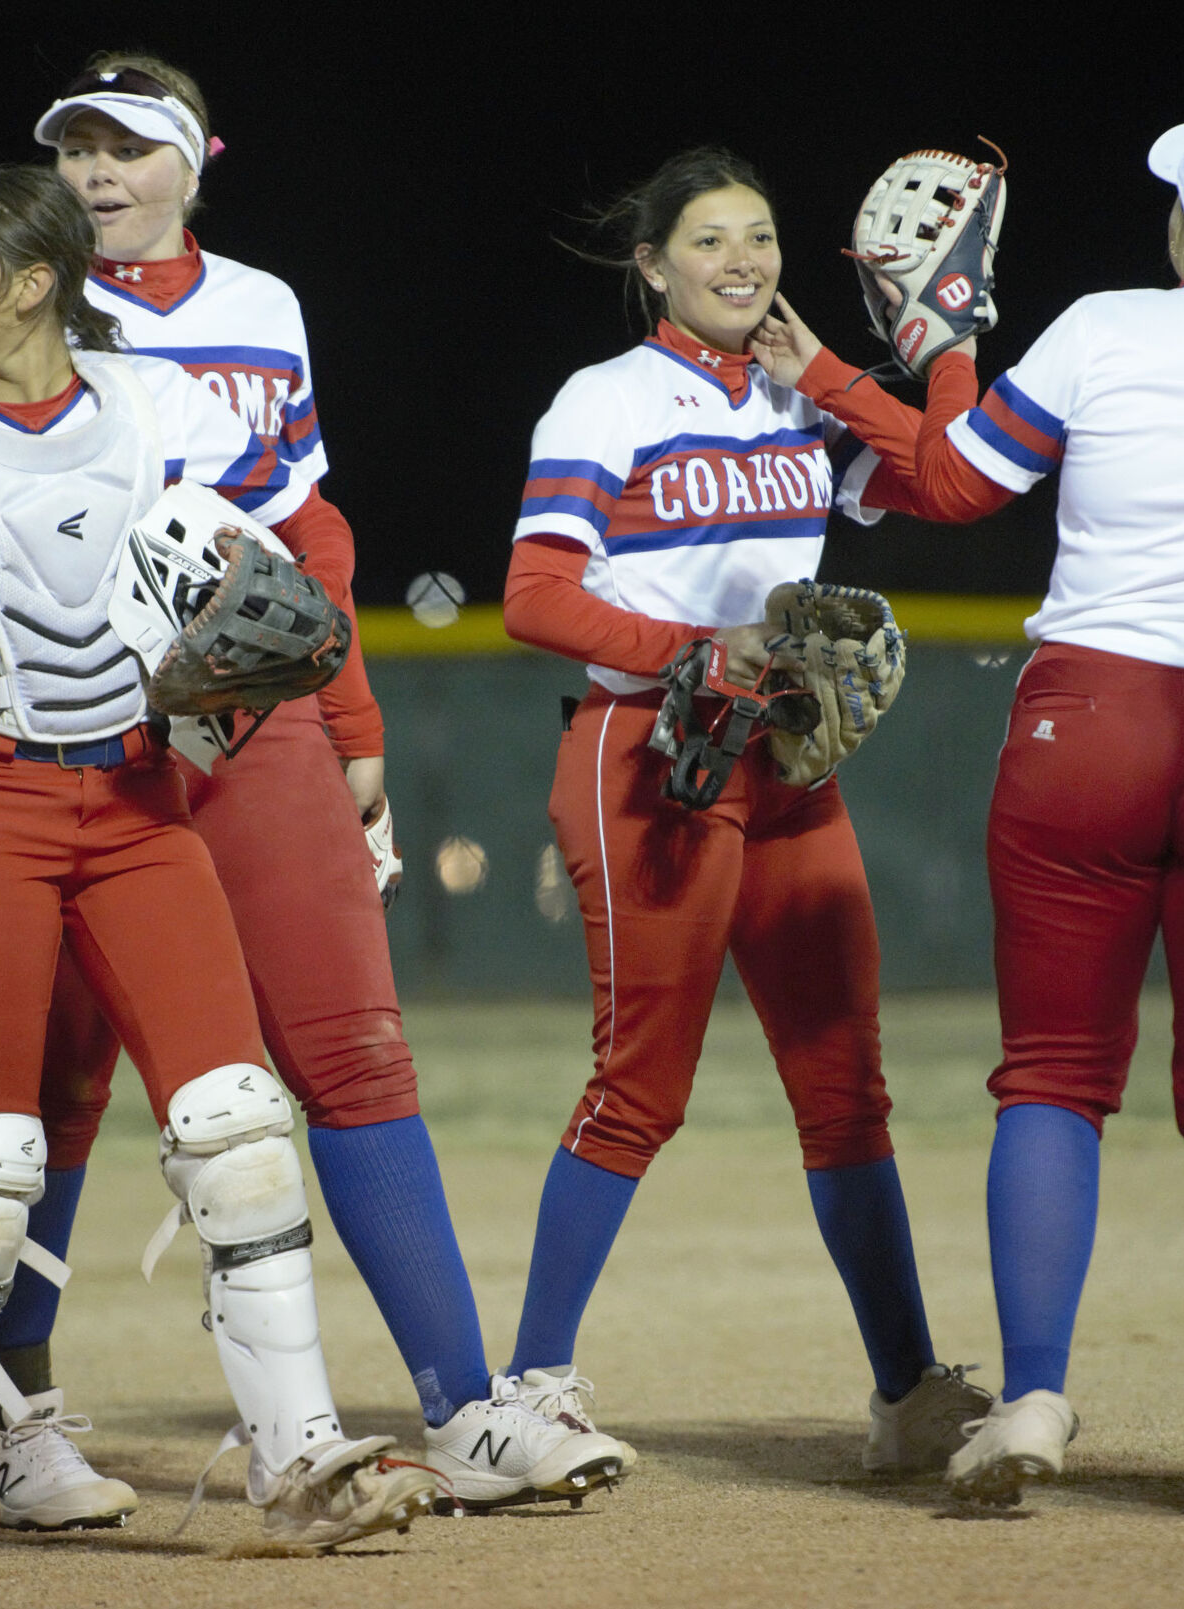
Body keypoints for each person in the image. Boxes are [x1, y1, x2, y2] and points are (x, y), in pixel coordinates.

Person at [0, 54, 628, 1522]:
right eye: (81, 150)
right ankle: (1, 1416)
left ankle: (466, 1406)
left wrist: (352, 711)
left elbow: (308, 525)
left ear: (198, 159)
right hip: (79, 739)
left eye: (133, 147)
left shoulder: (261, 308)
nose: (102, 173)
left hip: (252, 726)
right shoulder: (5, 302)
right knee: (27, 1105)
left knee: (356, 1054)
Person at [0, 164, 440, 1575]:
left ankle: (299, 1456)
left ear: (29, 283)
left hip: (143, 797)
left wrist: (303, 637)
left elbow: (303, 526)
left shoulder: (157, 402)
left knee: (241, 1129)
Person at [748, 90, 1184, 1509]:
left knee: (1053, 1079)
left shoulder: (1104, 326)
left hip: (1090, 718)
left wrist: (919, 358)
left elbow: (959, 483)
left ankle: (1032, 1398)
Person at [499, 147, 990, 1474]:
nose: (742, 262)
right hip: (647, 760)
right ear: (652, 263)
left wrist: (943, 341)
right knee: (639, 1087)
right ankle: (530, 1382)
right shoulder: (607, 400)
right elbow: (536, 596)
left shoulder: (802, 404)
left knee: (846, 1087)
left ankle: (905, 1388)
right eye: (710, 241)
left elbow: (954, 480)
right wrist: (686, 650)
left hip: (783, 768)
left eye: (761, 238)